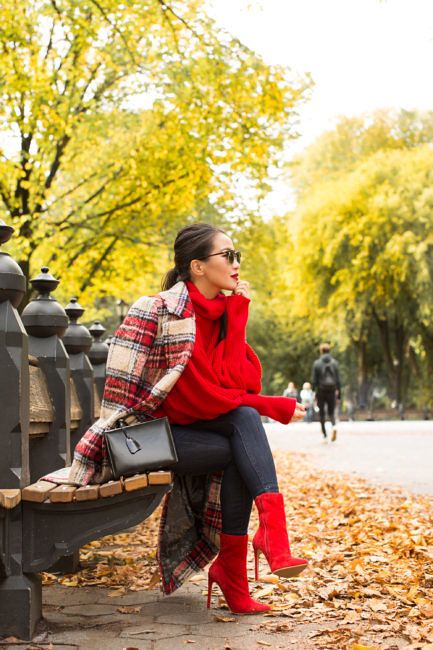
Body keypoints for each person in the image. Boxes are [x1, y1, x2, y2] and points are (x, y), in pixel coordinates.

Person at [69, 223, 308, 615]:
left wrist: (239, 315)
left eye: (237, 256)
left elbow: (238, 381)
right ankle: (261, 548)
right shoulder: (158, 309)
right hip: (142, 438)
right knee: (245, 423)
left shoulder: (224, 313)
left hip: (194, 431)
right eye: (227, 256)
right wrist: (272, 406)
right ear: (197, 266)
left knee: (240, 438)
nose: (235, 264)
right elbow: (199, 399)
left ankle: (248, 558)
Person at [311, 343, 341, 441]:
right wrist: (339, 392)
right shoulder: (335, 363)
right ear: (329, 351)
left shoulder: (317, 363)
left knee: (322, 414)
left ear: (321, 351)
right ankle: (334, 426)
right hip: (332, 390)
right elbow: (338, 379)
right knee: (331, 412)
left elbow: (314, 380)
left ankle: (324, 435)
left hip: (321, 390)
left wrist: (314, 392)